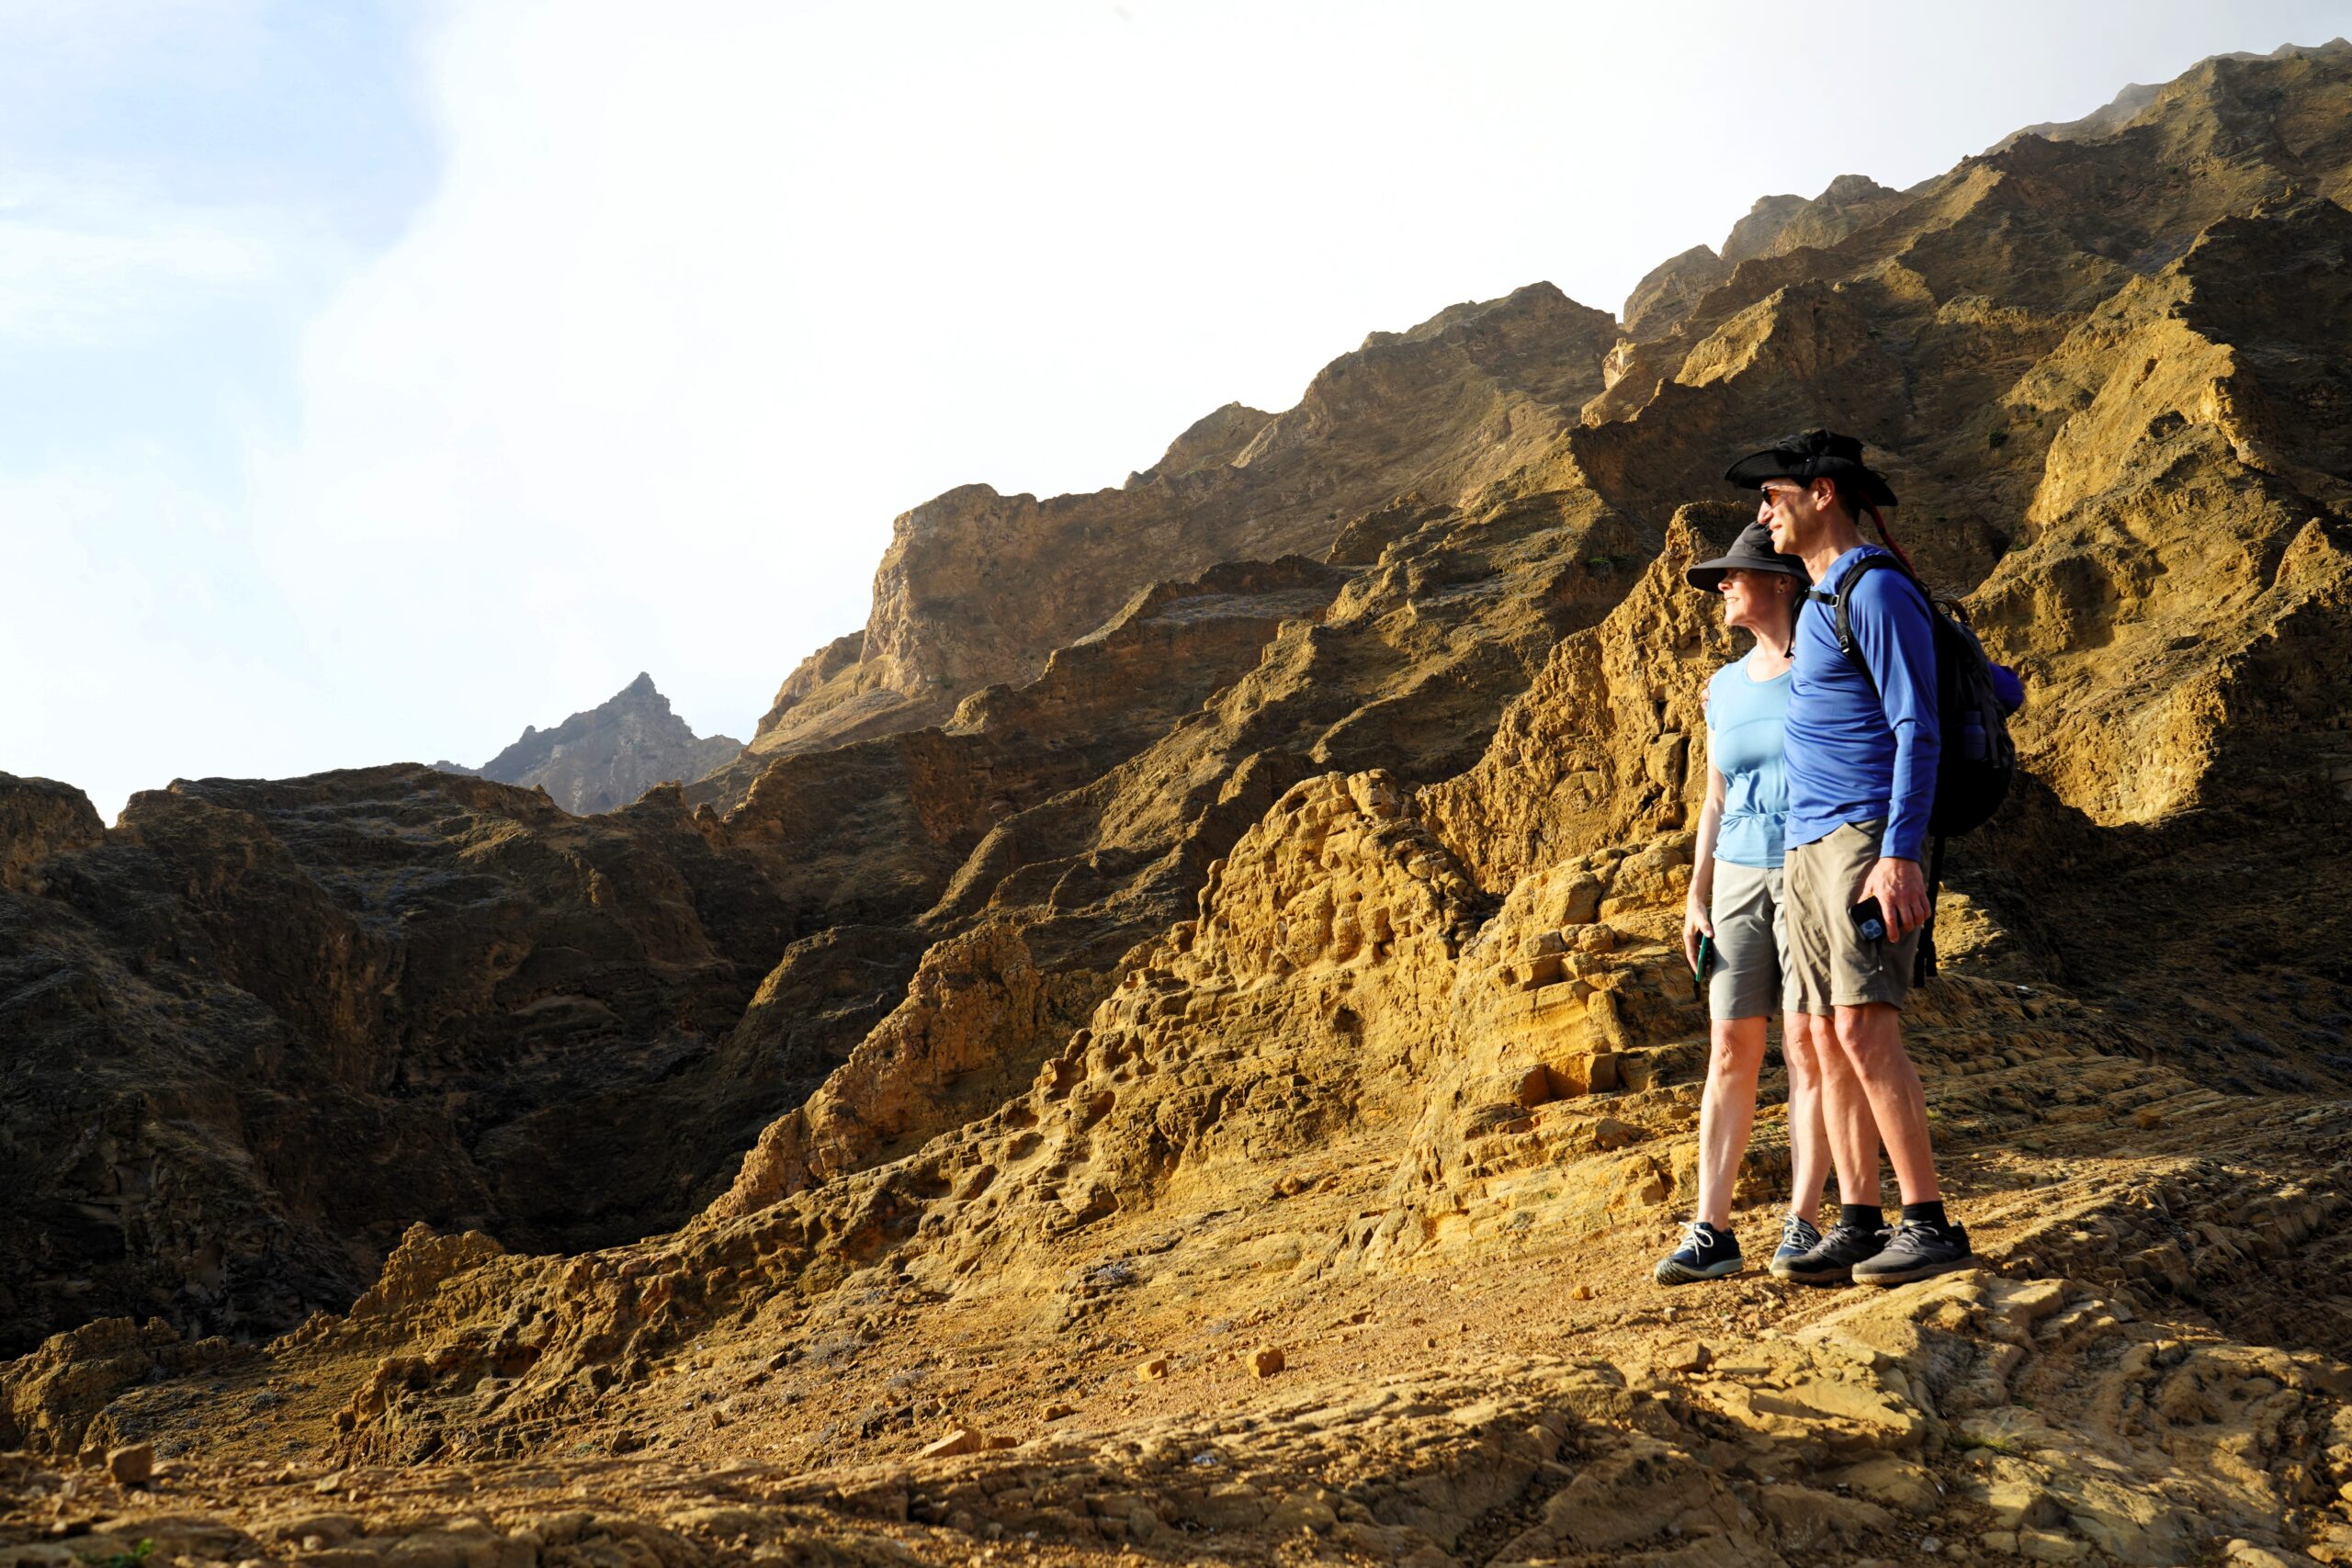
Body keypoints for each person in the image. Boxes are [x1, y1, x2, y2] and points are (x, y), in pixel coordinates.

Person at [1725, 430, 1976, 1286]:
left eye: (1773, 494)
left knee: (1865, 1026)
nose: (1763, 511)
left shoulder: (1875, 588)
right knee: (1820, 1035)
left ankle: (1929, 1221)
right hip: (1806, 844)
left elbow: (1917, 726)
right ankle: (1859, 1220)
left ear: (1823, 492)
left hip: (1862, 837)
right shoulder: (1822, 599)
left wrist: (1899, 853)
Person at [1654, 524, 1883, 1286]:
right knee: (1729, 1048)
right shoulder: (1721, 687)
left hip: (1810, 864)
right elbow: (1714, 798)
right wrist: (1697, 893)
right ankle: (1711, 1230)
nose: (1722, 585)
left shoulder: (1823, 667)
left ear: (1781, 582)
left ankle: (1803, 1220)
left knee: (1808, 1044)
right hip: (1735, 875)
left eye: (1735, 574)